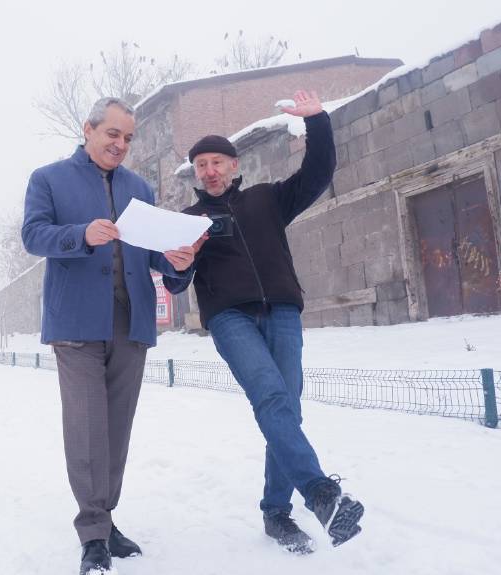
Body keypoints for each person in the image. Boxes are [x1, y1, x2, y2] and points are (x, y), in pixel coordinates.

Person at [165, 90, 364, 554]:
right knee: (271, 397)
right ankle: (320, 493)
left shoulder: (268, 200)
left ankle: (276, 512)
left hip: (282, 312)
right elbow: (175, 282)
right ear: (196, 175)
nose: (210, 171)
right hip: (230, 318)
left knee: (287, 410)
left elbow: (318, 174)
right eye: (201, 166)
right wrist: (179, 262)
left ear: (235, 165)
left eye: (217, 162)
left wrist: (317, 122)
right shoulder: (188, 220)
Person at [22, 97, 199, 574]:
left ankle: (106, 517)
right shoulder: (48, 179)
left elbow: (155, 253)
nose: (120, 144)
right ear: (89, 129)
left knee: (116, 429)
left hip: (131, 323)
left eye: (128, 137)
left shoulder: (140, 188)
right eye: (112, 134)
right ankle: (93, 532)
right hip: (77, 324)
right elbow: (33, 235)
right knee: (86, 429)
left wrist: (179, 262)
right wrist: (81, 235)